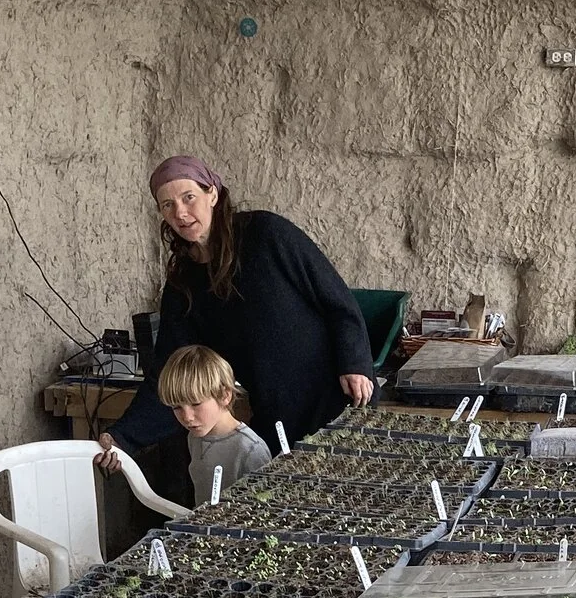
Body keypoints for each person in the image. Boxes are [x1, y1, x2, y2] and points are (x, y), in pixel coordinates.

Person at [97, 157, 376, 481]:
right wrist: (123, 438)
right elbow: (170, 370)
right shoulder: (184, 284)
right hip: (278, 421)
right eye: (167, 205)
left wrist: (355, 362)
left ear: (212, 194)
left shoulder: (268, 234)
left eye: (189, 197)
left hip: (339, 401)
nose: (181, 214)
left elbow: (337, 300)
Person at [155, 345, 272, 507]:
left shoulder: (250, 450)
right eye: (177, 407)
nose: (187, 417)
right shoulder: (195, 437)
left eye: (196, 404)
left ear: (224, 395)